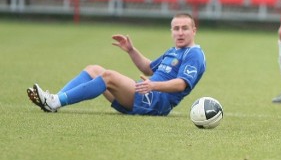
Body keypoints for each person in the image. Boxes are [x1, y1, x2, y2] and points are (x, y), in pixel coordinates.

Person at [26, 13, 206, 116]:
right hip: (146, 93)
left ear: (194, 31)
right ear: (171, 31)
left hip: (156, 101)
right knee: (94, 69)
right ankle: (56, 99)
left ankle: (54, 102)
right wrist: (131, 50)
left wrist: (153, 85)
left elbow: (181, 83)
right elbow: (148, 68)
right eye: (176, 28)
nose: (180, 33)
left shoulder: (194, 53)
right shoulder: (174, 50)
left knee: (108, 76)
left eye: (185, 28)